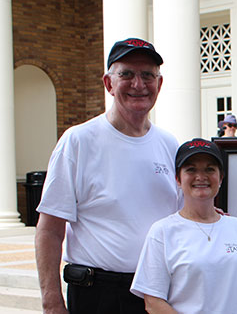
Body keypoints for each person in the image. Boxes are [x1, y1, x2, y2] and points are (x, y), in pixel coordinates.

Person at [34, 38, 180, 314]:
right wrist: (51, 302)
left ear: (159, 85)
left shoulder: (169, 145)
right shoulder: (78, 142)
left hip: (158, 293)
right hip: (98, 296)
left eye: (148, 75)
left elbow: (184, 220)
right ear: (108, 83)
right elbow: (50, 230)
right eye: (126, 74)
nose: (138, 84)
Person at [131, 138, 237, 313]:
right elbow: (153, 302)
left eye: (209, 169)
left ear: (220, 178)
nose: (201, 176)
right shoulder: (162, 232)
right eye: (191, 169)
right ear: (178, 179)